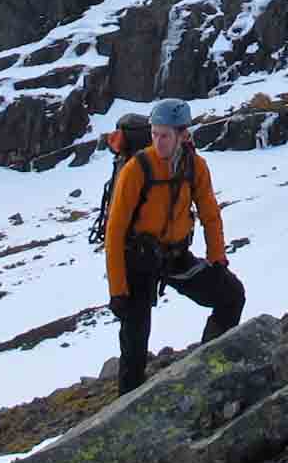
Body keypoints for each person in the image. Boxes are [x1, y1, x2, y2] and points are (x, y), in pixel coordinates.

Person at [103, 97, 245, 391]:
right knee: (135, 339)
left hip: (175, 256)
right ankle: (127, 403)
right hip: (138, 261)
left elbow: (210, 215)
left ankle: (210, 368)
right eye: (154, 134)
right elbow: (114, 232)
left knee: (231, 295)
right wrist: (118, 291)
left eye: (165, 135)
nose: (158, 142)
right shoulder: (137, 168)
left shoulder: (195, 167)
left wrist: (217, 259)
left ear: (183, 135)